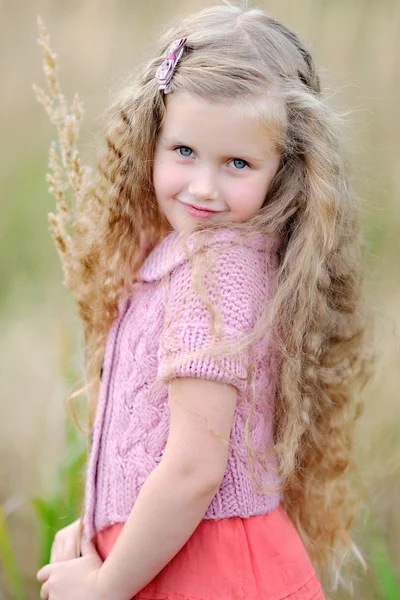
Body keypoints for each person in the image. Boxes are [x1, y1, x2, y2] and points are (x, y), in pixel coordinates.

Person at [36, 3, 374, 599]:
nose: (202, 187)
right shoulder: (192, 255)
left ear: (284, 170)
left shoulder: (215, 274)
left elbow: (194, 471)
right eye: (184, 151)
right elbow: (159, 449)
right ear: (151, 138)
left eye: (237, 163)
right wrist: (99, 523)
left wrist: (106, 586)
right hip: (170, 550)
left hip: (211, 573)